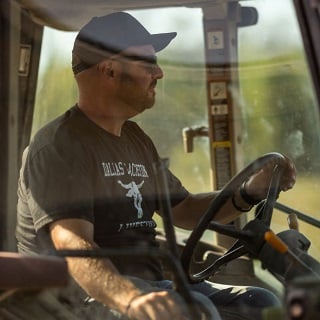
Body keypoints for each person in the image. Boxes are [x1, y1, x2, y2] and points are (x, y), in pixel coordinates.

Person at [16, 12, 296, 320]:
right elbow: (73, 244)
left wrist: (250, 190)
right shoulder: (59, 146)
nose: (159, 72)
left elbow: (185, 209)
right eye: (148, 62)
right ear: (109, 70)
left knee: (261, 302)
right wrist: (131, 299)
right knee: (195, 311)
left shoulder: (135, 139)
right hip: (79, 300)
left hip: (150, 284)